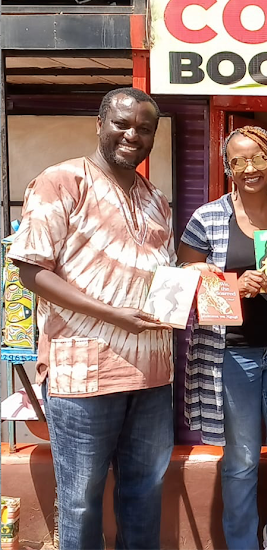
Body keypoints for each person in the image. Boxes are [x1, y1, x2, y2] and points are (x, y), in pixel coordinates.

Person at [9, 87, 174, 550]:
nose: (132, 135)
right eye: (122, 123)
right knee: (80, 499)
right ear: (99, 124)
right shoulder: (60, 182)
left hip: (152, 375)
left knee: (145, 490)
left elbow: (159, 280)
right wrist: (112, 315)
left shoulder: (154, 198)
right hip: (82, 373)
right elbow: (31, 272)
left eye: (144, 129)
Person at [177, 125, 267, 550]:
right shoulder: (207, 217)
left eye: (258, 158)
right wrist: (232, 286)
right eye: (239, 160)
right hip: (230, 354)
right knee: (240, 461)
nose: (249, 168)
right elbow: (182, 282)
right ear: (227, 166)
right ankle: (241, 545)